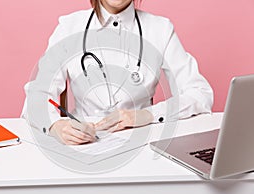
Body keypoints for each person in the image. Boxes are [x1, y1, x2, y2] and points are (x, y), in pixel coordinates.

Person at [22, 0, 213, 145]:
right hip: (83, 146)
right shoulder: (69, 27)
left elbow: (200, 94)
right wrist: (56, 126)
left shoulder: (160, 29)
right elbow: (36, 96)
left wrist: (146, 115)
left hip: (145, 143)